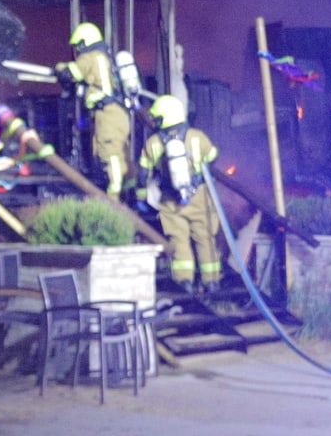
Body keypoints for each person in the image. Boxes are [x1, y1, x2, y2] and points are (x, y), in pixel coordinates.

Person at [140, 92, 223, 292]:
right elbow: (213, 156)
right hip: (200, 197)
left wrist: (141, 196)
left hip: (170, 200)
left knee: (179, 240)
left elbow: (144, 173)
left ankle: (184, 281)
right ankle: (211, 281)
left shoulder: (154, 143)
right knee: (204, 238)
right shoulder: (197, 136)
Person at [57, 22, 134, 197]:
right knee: (122, 150)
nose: (77, 50)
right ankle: (130, 192)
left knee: (109, 152)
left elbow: (70, 74)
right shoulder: (107, 56)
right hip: (120, 113)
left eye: (78, 46)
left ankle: (113, 196)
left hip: (107, 114)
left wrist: (60, 68)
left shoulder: (90, 57)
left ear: (84, 42)